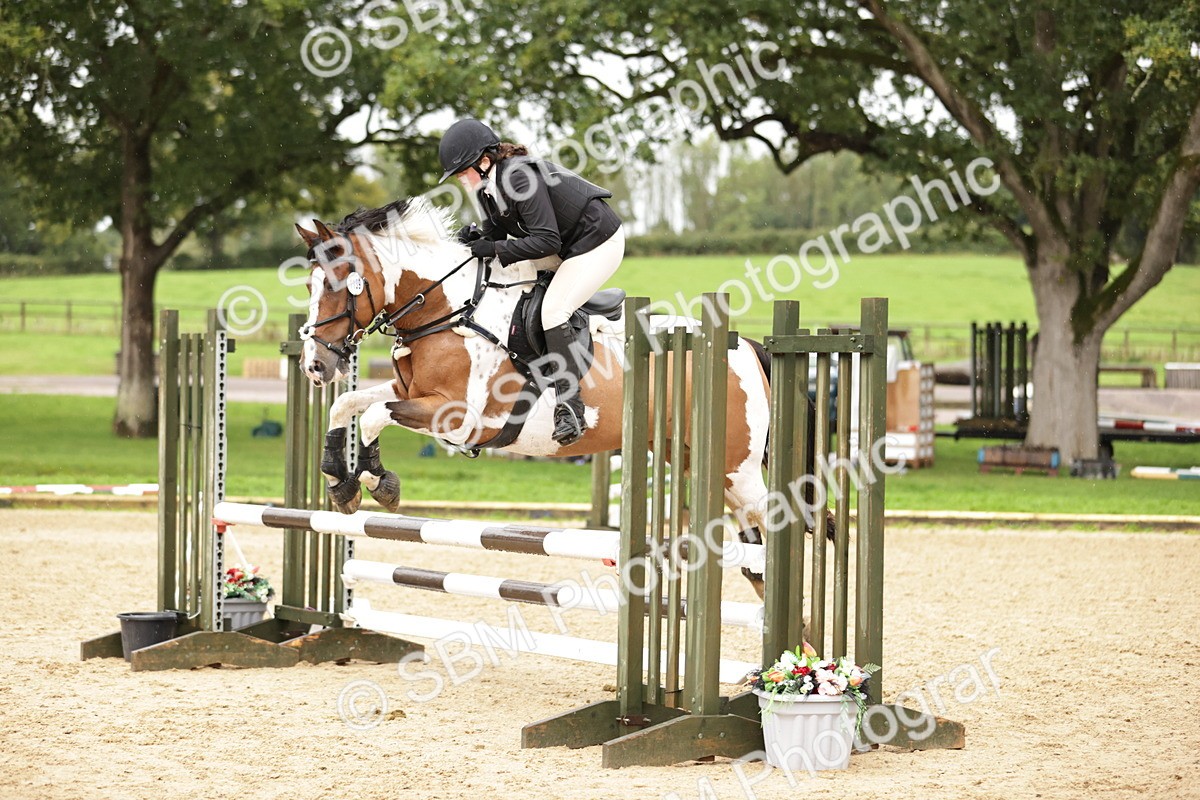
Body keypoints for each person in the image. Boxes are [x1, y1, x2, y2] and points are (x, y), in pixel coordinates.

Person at [437, 118, 625, 447]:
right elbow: (496, 235)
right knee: (503, 279)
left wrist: (493, 247)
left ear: (484, 161)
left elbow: (547, 240)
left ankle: (570, 405)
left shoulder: (518, 176)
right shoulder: (487, 187)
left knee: (552, 311)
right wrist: (472, 240)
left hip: (598, 242)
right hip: (565, 246)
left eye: (462, 171)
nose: (460, 180)